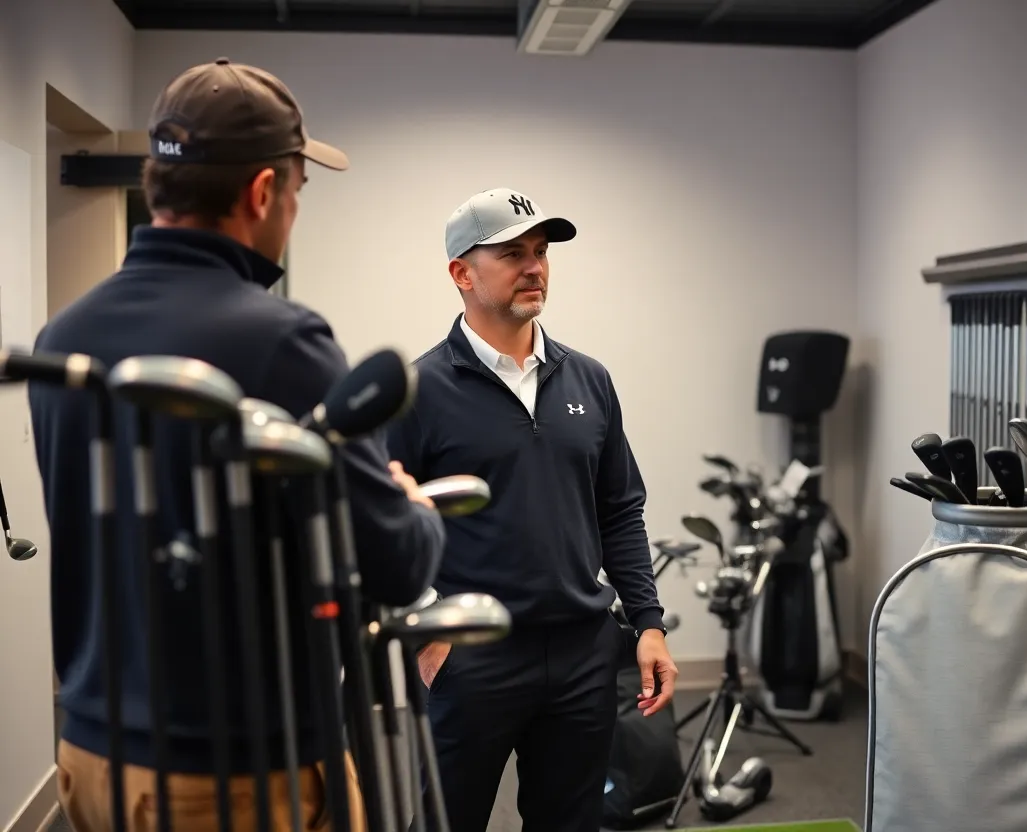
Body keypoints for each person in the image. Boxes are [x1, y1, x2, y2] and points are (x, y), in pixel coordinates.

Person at [27, 58, 445, 831]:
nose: (293, 209)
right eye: (297, 190)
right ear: (262, 194)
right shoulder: (283, 342)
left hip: (91, 758)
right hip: (240, 774)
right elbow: (394, 560)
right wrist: (414, 508)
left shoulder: (64, 336)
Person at [385, 187, 678, 832]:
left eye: (541, 252)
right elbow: (383, 527)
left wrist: (649, 623)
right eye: (512, 253)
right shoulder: (417, 392)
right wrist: (430, 633)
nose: (535, 267)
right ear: (461, 273)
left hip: (581, 652)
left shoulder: (589, 379)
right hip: (473, 656)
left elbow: (620, 510)